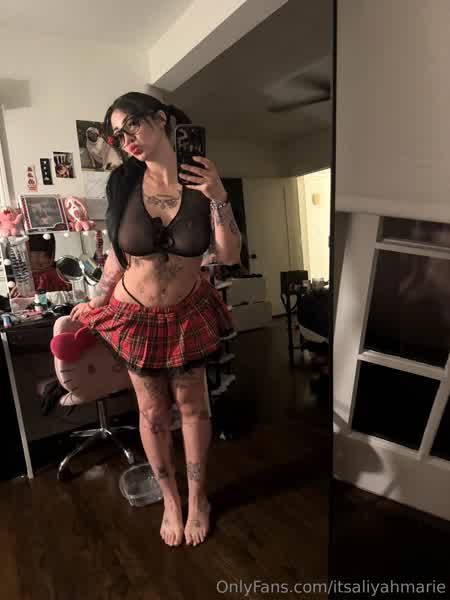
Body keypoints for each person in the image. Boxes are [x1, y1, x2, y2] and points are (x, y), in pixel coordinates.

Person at [70, 92, 241, 547]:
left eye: (132, 125)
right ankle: (170, 499)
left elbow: (229, 255)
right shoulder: (122, 184)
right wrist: (97, 297)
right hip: (134, 316)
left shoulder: (202, 180)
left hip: (188, 314)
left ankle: (198, 498)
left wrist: (219, 197)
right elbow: (118, 254)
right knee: (152, 412)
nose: (126, 139)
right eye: (117, 135)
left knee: (193, 408)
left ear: (160, 119)